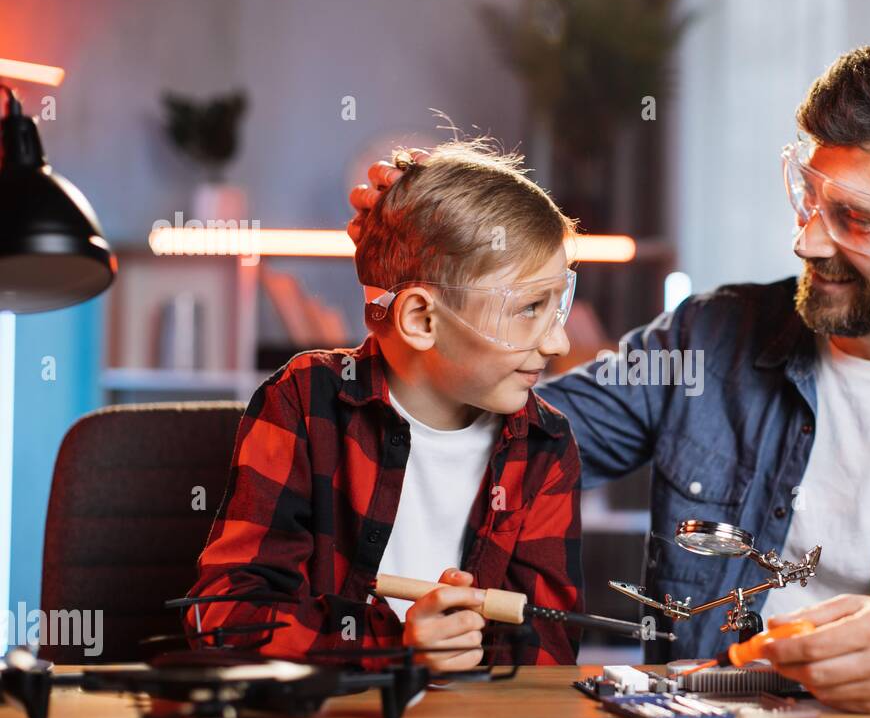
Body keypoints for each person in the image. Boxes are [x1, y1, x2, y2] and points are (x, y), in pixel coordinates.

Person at [349, 38, 870, 713]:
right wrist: (413, 281)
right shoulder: (708, 337)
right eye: (809, 197)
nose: (809, 241)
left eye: (858, 219)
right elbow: (496, 449)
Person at [190, 139, 584, 670]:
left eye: (556, 304)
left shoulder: (544, 441)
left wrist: (463, 654)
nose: (558, 344)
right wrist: (394, 647)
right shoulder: (306, 402)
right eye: (530, 308)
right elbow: (226, 621)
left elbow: (547, 655)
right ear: (421, 320)